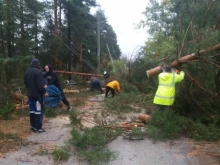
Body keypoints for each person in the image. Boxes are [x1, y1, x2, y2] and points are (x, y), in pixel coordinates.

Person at [24, 58, 47, 132]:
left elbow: (26, 83)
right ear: (38, 64)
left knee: (32, 110)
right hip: (37, 95)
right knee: (38, 111)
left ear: (31, 63)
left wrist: (30, 89)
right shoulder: (38, 72)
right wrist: (44, 92)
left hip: (30, 95)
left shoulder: (27, 71)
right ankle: (38, 127)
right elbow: (40, 85)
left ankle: (33, 126)